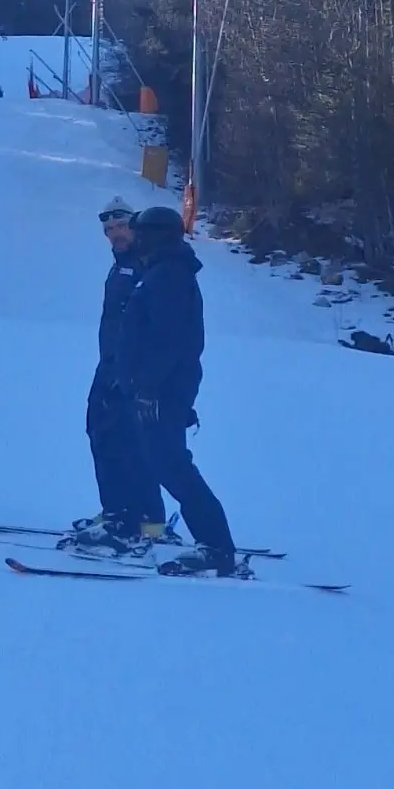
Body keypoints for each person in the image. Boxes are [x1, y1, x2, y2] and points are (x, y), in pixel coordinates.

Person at [115, 206, 239, 575]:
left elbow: (168, 341)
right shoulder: (159, 272)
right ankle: (210, 543)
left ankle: (217, 547)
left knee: (171, 464)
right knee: (163, 462)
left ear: (157, 236)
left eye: (141, 233)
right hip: (161, 386)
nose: (135, 239)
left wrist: (149, 388)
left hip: (163, 388)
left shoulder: (168, 275)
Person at [72, 198, 167, 551]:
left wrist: (136, 371)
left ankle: (140, 517)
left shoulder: (144, 264)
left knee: (127, 442)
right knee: (101, 434)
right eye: (109, 230)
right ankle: (117, 509)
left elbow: (150, 325)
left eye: (121, 226)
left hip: (129, 370)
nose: (115, 234)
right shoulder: (120, 266)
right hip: (109, 365)